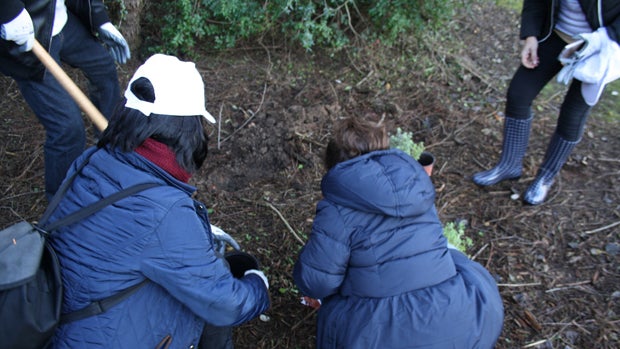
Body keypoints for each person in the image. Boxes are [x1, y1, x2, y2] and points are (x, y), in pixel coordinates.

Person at [46, 54, 270, 348]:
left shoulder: (93, 160)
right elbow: (225, 303)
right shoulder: (164, 211)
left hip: (65, 324)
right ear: (184, 129)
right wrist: (257, 284)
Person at [293, 117, 504, 348]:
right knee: (453, 257)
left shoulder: (336, 209)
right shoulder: (416, 187)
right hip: (465, 320)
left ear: (333, 166)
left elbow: (316, 283)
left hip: (384, 331)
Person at [472, 0, 620, 205]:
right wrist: (531, 36)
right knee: (519, 94)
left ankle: (545, 178)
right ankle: (509, 165)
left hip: (599, 48)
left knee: (572, 114)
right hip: (556, 35)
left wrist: (602, 39)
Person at [0, 0, 130, 200]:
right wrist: (8, 11)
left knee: (104, 68)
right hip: (24, 34)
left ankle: (109, 150)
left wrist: (100, 20)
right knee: (67, 128)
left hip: (59, 21)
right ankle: (60, 202)